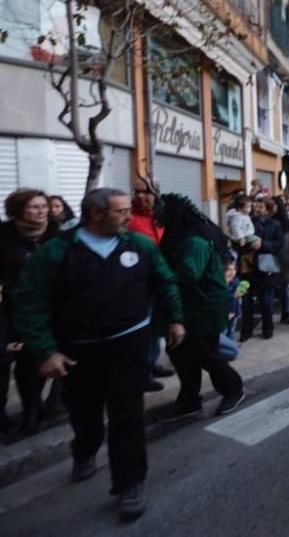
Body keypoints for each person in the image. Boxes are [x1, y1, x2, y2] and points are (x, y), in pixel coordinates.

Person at [13, 188, 185, 520]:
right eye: (121, 211)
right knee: (85, 413)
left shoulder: (139, 245)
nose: (127, 215)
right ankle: (85, 450)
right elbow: (29, 303)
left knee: (127, 417)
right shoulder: (56, 252)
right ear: (95, 213)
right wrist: (45, 351)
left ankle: (130, 483)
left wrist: (175, 319)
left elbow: (165, 282)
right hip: (78, 354)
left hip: (129, 348)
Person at [156, 194, 245, 421]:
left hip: (203, 308)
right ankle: (189, 401)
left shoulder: (194, 241)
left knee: (205, 354)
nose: (157, 215)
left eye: (161, 210)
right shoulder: (179, 236)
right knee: (181, 355)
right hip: (187, 307)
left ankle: (233, 388)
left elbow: (187, 275)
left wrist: (156, 280)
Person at [0, 189, 58, 433]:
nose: (41, 211)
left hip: (43, 308)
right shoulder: (3, 235)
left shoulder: (56, 235)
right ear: (18, 211)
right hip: (6, 308)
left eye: (43, 206)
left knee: (33, 360)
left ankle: (32, 409)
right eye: (34, 207)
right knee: (2, 361)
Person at [127, 181, 174, 392]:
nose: (140, 196)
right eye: (136, 192)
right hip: (139, 281)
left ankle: (151, 363)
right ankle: (141, 373)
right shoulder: (129, 217)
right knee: (142, 326)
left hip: (161, 279)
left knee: (155, 327)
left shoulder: (161, 217)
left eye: (145, 192)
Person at [240, 198, 284, 341]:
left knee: (266, 303)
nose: (257, 209)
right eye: (256, 206)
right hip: (248, 267)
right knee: (246, 303)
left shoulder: (275, 225)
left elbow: (279, 245)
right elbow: (238, 240)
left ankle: (268, 329)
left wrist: (262, 245)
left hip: (266, 269)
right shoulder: (246, 222)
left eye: (260, 207)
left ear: (268, 210)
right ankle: (246, 331)